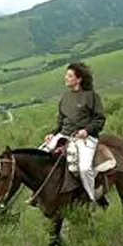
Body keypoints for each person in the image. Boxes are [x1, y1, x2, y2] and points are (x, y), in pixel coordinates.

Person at [39, 62, 108, 207]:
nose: (66, 78)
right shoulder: (65, 97)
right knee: (39, 157)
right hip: (63, 135)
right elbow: (60, 121)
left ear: (79, 79)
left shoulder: (91, 96)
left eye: (70, 76)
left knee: (84, 168)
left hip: (85, 138)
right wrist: (52, 134)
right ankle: (42, 195)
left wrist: (87, 130)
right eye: (67, 75)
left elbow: (100, 119)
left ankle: (91, 200)